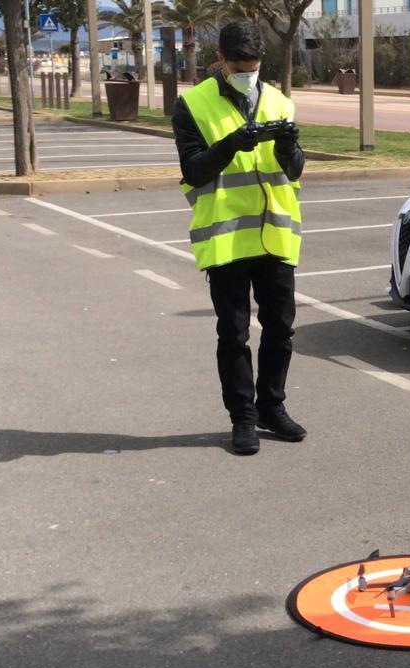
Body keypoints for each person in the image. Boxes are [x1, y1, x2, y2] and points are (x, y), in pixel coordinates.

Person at [173, 21, 307, 455]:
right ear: (221, 61)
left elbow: (294, 170)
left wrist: (289, 148)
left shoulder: (279, 101)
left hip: (275, 237)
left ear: (261, 61)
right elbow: (193, 170)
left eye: (252, 66)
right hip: (227, 240)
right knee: (233, 335)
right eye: (239, 66)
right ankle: (243, 418)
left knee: (280, 329)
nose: (247, 72)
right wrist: (230, 144)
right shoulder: (192, 104)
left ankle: (272, 407)